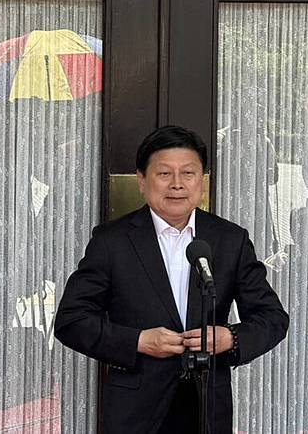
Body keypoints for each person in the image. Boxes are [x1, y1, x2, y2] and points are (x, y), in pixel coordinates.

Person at [54, 126, 289, 434]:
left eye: (188, 173)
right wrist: (139, 341)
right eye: (164, 173)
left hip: (206, 408)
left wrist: (230, 338)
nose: (177, 184)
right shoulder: (112, 241)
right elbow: (71, 321)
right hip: (135, 413)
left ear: (201, 180)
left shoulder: (230, 239)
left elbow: (272, 318)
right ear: (142, 181)